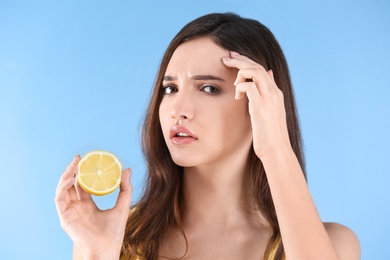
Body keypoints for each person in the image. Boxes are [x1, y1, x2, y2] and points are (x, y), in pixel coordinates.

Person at [55, 12, 361, 260]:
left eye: (209, 88)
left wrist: (276, 147)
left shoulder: (334, 245)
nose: (178, 109)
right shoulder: (115, 236)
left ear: (262, 103)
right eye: (170, 88)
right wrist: (98, 253)